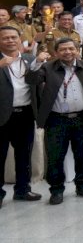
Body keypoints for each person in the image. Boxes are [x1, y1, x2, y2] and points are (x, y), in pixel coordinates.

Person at [36, 37, 83, 205]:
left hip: (82, 118)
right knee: (55, 156)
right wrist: (37, 62)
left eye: (71, 48)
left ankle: (82, 185)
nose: (68, 52)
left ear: (77, 50)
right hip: (56, 120)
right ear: (56, 53)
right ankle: (56, 190)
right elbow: (32, 80)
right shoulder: (47, 68)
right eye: (63, 49)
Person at [0, 26, 46, 208]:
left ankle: (22, 189)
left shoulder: (29, 59)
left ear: (20, 39)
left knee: (24, 154)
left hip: (25, 114)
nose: (10, 41)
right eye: (6, 38)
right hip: (2, 116)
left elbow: (37, 82)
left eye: (14, 37)